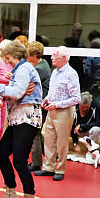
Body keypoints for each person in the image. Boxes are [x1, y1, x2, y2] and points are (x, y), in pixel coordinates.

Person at [0, 41, 42, 198]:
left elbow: (16, 92)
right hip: (17, 118)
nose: (6, 61)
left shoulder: (24, 68)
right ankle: (10, 192)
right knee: (1, 153)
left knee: (19, 160)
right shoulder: (20, 70)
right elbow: (17, 91)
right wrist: (10, 85)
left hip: (26, 118)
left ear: (12, 55)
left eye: (7, 57)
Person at [34, 46, 80, 182]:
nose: (52, 57)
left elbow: (76, 98)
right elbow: (52, 91)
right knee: (49, 140)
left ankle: (60, 169)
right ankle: (48, 167)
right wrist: (46, 99)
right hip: (51, 110)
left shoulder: (71, 74)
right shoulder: (55, 72)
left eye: (55, 55)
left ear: (64, 58)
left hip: (64, 112)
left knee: (62, 142)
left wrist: (57, 104)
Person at [27, 41, 51, 172]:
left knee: (34, 133)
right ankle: (49, 156)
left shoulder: (39, 70)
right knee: (38, 132)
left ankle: (36, 163)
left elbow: (27, 84)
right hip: (43, 104)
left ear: (35, 55)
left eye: (29, 55)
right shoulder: (44, 64)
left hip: (40, 105)